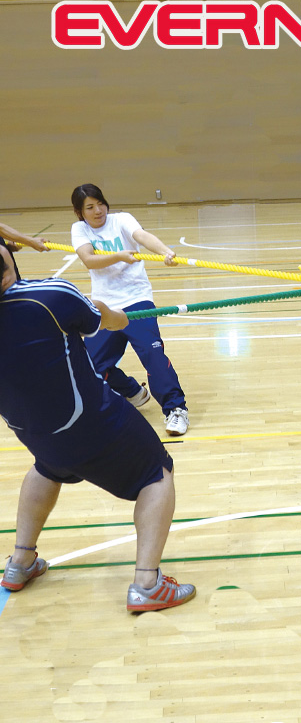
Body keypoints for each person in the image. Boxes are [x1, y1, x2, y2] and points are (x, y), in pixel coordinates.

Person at [0, 244, 195, 611]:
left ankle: (20, 562)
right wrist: (112, 313)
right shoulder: (50, 295)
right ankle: (148, 584)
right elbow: (110, 320)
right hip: (92, 421)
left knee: (48, 466)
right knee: (157, 472)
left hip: (31, 429)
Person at [70, 184, 189, 436]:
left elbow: (142, 236)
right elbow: (89, 259)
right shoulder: (79, 229)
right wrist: (120, 256)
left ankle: (176, 409)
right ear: (80, 212)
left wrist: (165, 251)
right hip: (105, 306)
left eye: (100, 204)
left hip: (137, 300)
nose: (98, 210)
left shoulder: (121, 219)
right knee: (90, 365)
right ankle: (133, 392)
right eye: (90, 207)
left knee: (152, 354)